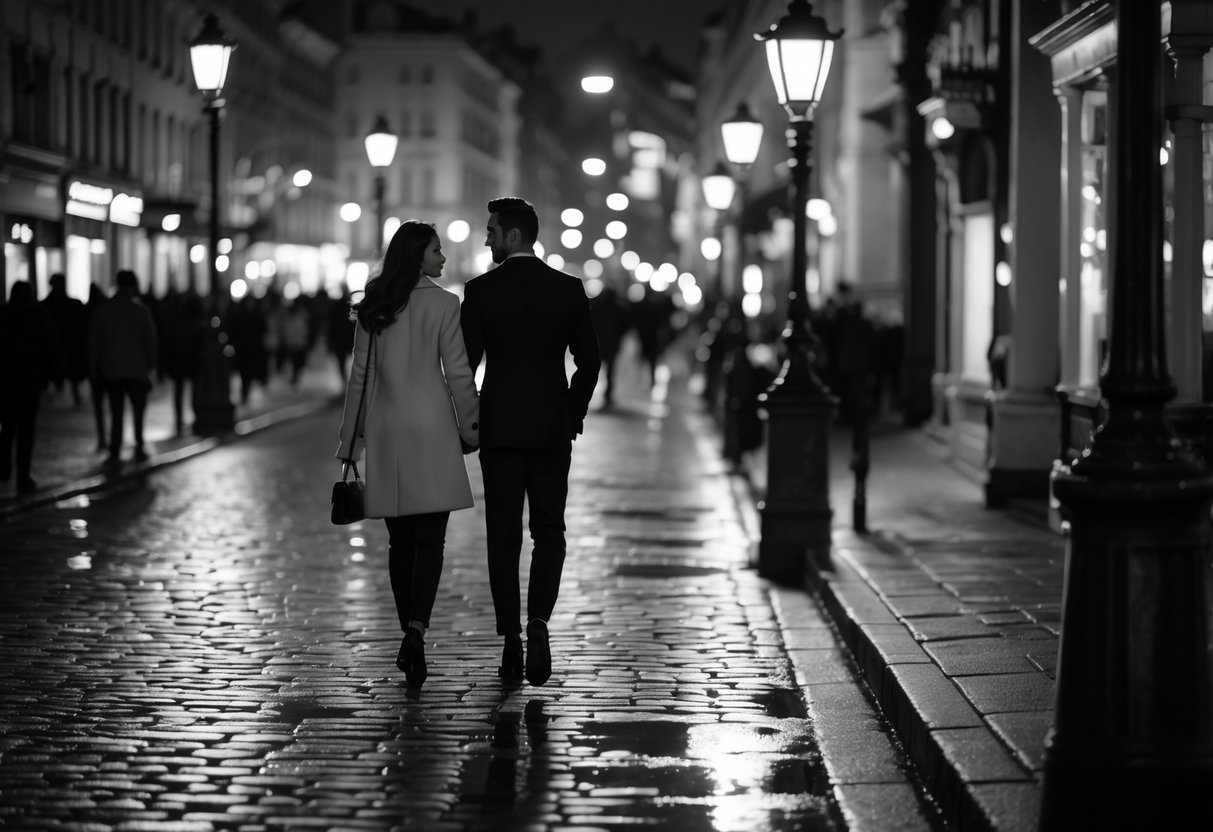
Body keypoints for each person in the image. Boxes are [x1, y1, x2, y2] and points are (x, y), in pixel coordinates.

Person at [460, 197, 600, 687]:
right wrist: (571, 411)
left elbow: (465, 365)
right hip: (549, 429)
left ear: (513, 235)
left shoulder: (479, 291)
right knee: (549, 531)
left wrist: (468, 415)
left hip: (499, 430)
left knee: (503, 536)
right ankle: (539, 622)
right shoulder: (567, 288)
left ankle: (511, 641)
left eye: (492, 230)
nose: (487, 238)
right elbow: (589, 361)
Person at [336, 221, 479, 689]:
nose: (443, 258)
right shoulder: (444, 303)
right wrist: (470, 426)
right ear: (418, 255)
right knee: (431, 541)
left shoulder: (376, 305)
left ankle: (407, 631)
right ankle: (417, 630)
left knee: (400, 542)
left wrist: (349, 442)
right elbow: (458, 372)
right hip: (434, 428)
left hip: (389, 429)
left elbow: (361, 380)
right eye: (437, 251)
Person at [90, 269, 158, 464]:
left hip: (111, 368)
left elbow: (95, 342)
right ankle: (138, 444)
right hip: (137, 368)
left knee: (116, 409)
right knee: (138, 409)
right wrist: (151, 364)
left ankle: (115, 448)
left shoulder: (103, 310)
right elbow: (150, 341)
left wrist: (94, 366)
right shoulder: (140, 311)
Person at [0, 281, 62, 494]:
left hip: (6, 380)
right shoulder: (39, 315)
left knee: (7, 426)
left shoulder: (4, 315)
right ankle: (22, 476)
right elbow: (51, 346)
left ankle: (5, 465)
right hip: (30, 381)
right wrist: (56, 375)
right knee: (26, 430)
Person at [40, 273, 87, 406]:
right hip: (70, 344)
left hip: (57, 345)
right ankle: (74, 393)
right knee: (72, 371)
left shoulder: (45, 306)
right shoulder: (74, 304)